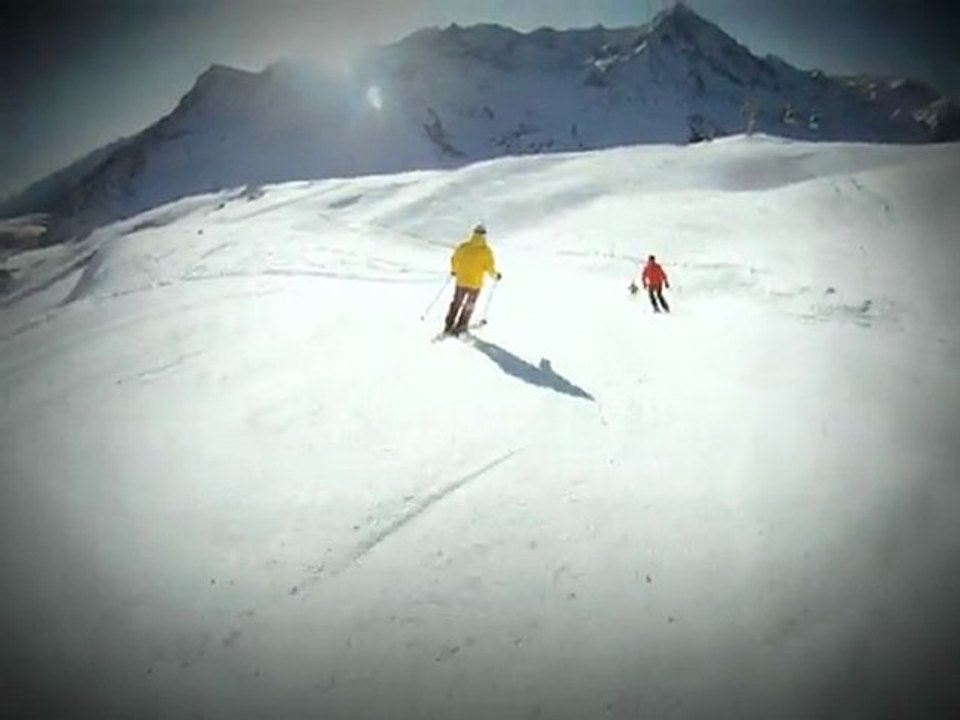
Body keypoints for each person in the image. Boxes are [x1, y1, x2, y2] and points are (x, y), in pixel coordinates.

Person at [444, 224, 501, 336]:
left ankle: (449, 324)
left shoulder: (464, 246)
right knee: (469, 305)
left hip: (461, 281)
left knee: (456, 302)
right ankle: (461, 325)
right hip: (475, 284)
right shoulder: (486, 251)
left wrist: (454, 270)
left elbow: (454, 259)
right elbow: (490, 268)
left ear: (473, 233)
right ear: (484, 235)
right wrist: (496, 276)